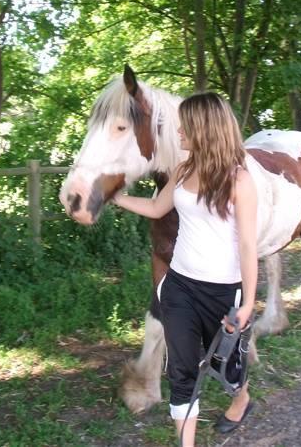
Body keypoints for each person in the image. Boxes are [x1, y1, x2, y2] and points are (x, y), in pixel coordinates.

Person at [112, 92, 258, 446]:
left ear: (206, 129)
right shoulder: (182, 169)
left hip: (223, 292)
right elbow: (157, 208)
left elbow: (248, 245)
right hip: (179, 288)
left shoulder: (239, 180)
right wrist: (114, 197)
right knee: (182, 372)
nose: (178, 132)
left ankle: (241, 397)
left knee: (229, 368)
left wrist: (248, 304)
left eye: (185, 126)